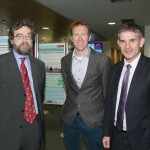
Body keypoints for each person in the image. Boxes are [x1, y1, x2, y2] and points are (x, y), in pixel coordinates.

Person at [61, 21, 111, 150]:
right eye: (76, 34)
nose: (80, 38)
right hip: (70, 118)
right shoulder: (65, 60)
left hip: (94, 120)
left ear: (89, 37)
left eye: (83, 34)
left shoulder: (102, 60)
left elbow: (107, 93)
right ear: (72, 38)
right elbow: (69, 87)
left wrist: (107, 125)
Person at [0, 18, 45, 150]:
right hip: (7, 129)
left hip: (33, 127)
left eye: (28, 36)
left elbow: (39, 96)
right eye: (19, 36)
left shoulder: (39, 65)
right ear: (11, 40)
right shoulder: (1, 63)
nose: (25, 40)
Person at [102, 23, 149, 150]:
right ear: (118, 43)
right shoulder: (113, 70)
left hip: (143, 137)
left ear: (141, 42)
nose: (127, 46)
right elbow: (109, 104)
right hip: (116, 136)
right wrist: (106, 132)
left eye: (132, 40)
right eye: (123, 41)